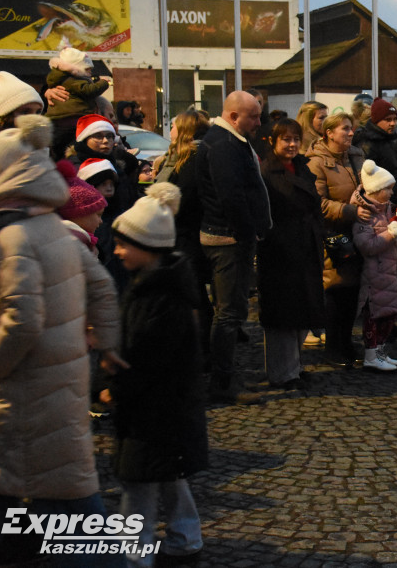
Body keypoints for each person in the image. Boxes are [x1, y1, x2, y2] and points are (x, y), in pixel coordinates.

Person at [0, 115, 124, 566]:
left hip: (24, 391)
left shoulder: (13, 234)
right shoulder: (54, 227)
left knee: (59, 496)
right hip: (61, 380)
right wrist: (105, 346)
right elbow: (103, 287)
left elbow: (23, 320)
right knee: (43, 486)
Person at [109, 183, 207, 567]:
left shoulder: (160, 300)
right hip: (163, 409)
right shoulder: (153, 287)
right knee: (166, 473)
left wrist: (116, 388)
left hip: (154, 408)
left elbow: (149, 361)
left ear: (148, 248)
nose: (116, 251)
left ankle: (131, 556)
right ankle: (185, 539)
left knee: (139, 484)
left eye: (123, 244)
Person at [197, 91, 271, 405]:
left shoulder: (227, 140)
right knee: (227, 314)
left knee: (232, 312)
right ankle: (222, 383)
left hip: (229, 235)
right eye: (253, 116)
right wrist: (247, 233)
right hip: (227, 238)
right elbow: (231, 196)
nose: (258, 122)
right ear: (233, 116)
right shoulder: (224, 145)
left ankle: (226, 376)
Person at [257, 119, 325, 389]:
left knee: (302, 310)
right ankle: (281, 372)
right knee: (282, 314)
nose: (293, 144)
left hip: (305, 247)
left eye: (296, 139)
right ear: (273, 142)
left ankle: (294, 367)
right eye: (286, 139)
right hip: (280, 252)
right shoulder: (266, 173)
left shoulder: (302, 168)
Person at [307, 111, 367, 368]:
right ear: (329, 133)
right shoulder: (316, 162)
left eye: (351, 128)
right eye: (345, 129)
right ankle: (333, 347)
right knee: (336, 291)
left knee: (353, 291)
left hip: (356, 233)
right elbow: (317, 204)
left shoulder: (356, 156)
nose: (350, 133)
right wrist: (350, 210)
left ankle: (346, 342)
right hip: (333, 236)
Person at [156, 111, 213, 344]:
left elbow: (184, 198)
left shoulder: (192, 158)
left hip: (188, 235)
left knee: (194, 294)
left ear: (185, 130)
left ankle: (201, 349)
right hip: (187, 233)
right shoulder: (186, 156)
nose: (170, 131)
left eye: (174, 126)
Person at [353, 160, 397, 371]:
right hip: (374, 276)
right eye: (388, 189)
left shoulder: (387, 209)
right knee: (375, 317)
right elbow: (367, 245)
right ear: (375, 190)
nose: (391, 193)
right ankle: (371, 354)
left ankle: (381, 352)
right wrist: (391, 233)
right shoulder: (365, 214)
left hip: (389, 272)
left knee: (389, 315)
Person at [44, 47, 111, 158]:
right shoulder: (72, 80)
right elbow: (89, 91)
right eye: (87, 69)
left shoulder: (66, 80)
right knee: (70, 152)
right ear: (77, 69)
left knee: (61, 152)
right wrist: (104, 82)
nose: (90, 73)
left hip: (65, 122)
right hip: (72, 121)